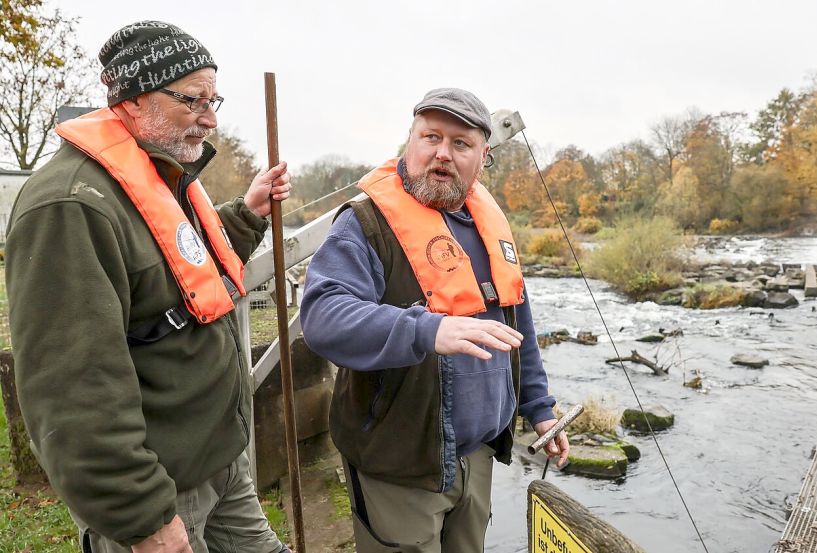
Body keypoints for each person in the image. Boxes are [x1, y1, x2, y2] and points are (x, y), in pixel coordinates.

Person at [6, 21, 292, 553]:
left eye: (215, 99)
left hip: (221, 462)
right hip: (162, 491)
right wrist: (142, 516)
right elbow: (72, 386)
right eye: (193, 100)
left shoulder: (157, 176)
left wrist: (247, 215)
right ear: (134, 100)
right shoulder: (70, 206)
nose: (210, 119)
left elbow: (178, 266)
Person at [300, 88, 570, 552]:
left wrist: (539, 409)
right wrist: (426, 328)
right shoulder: (364, 224)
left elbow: (516, 325)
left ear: (484, 157)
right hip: (398, 462)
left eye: (460, 143)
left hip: (477, 456)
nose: (442, 153)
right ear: (410, 142)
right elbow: (322, 316)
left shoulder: (492, 227)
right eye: (430, 137)